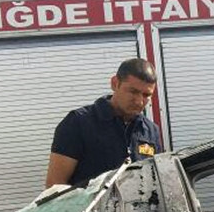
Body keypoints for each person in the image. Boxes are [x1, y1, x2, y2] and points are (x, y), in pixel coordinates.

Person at [44, 58, 162, 187]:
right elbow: (54, 186)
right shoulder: (78, 123)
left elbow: (155, 182)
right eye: (133, 91)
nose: (139, 101)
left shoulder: (151, 131)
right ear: (115, 83)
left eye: (146, 95)